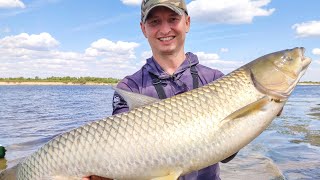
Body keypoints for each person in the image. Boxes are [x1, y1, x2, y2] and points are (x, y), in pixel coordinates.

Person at [84, 0, 236, 179]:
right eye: (155, 22)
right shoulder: (130, 87)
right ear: (143, 29)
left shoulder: (215, 80)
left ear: (187, 23)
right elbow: (123, 153)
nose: (165, 30)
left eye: (173, 19)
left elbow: (228, 154)